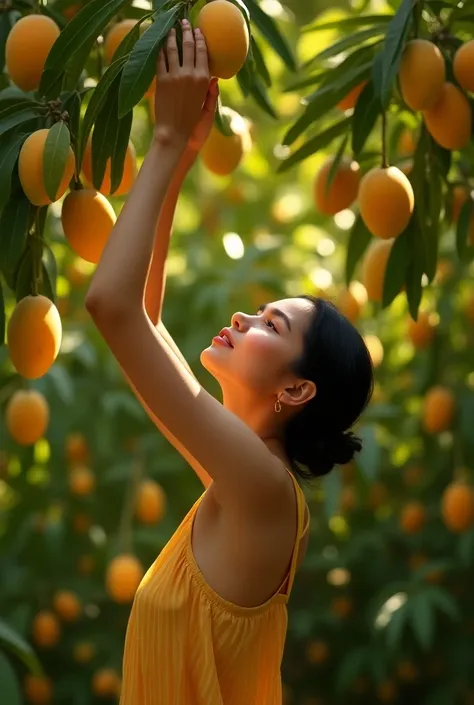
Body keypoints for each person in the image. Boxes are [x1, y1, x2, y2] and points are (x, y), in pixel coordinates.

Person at [85, 19, 374, 705]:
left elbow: (111, 306)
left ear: (298, 387)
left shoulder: (262, 489)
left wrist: (160, 142)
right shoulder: (242, 483)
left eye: (271, 323)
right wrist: (180, 158)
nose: (243, 318)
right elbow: (143, 317)